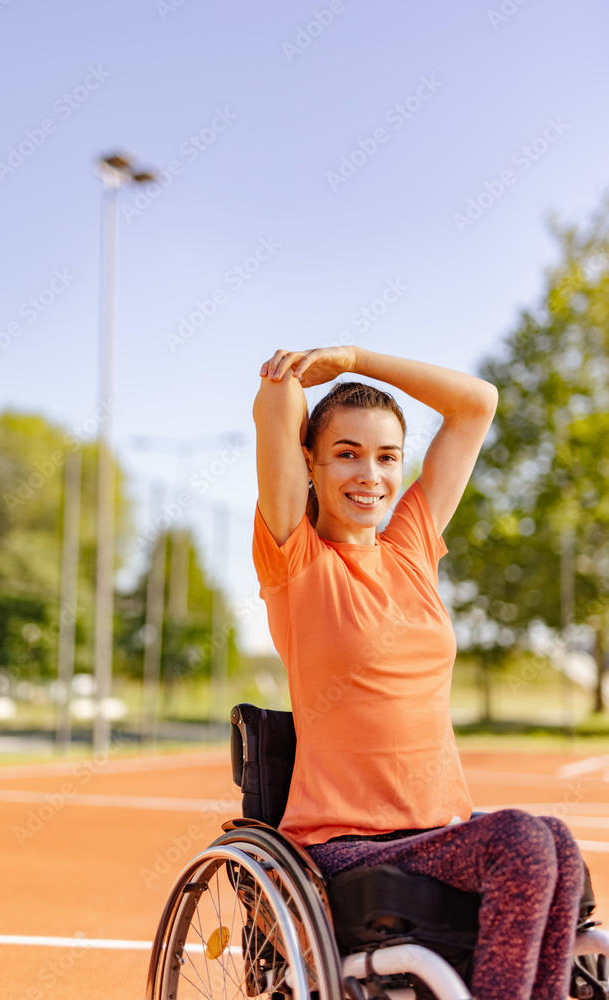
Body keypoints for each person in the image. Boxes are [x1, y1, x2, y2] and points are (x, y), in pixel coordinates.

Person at [251, 345, 585, 1000]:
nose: (368, 473)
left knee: (555, 841)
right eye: (345, 453)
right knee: (520, 838)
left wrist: (356, 359)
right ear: (310, 466)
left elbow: (475, 403)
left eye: (385, 456)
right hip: (343, 846)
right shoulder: (295, 557)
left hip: (439, 833)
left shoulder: (411, 543)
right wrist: (291, 372)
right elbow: (276, 408)